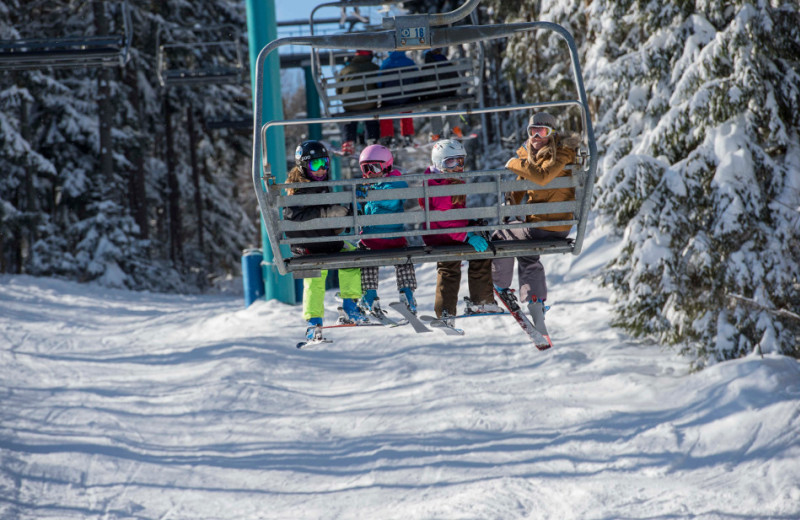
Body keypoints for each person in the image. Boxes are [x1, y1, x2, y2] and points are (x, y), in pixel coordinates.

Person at [491, 112, 578, 321]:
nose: (536, 137)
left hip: (547, 225)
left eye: (542, 131)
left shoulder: (561, 154)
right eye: (532, 131)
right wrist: (511, 202)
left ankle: (499, 284)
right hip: (551, 227)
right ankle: (536, 302)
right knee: (527, 252)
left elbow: (541, 177)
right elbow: (522, 183)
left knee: (501, 235)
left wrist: (513, 162)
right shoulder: (532, 158)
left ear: (551, 134)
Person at [283, 140, 368, 341]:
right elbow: (292, 215)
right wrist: (325, 212)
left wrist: (342, 217)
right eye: (315, 165)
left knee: (350, 255)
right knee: (322, 273)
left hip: (320, 244)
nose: (321, 170)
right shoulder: (299, 189)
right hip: (311, 246)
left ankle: (339, 310)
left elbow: (330, 215)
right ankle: (334, 312)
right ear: (303, 166)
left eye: (324, 164)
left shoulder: (322, 187)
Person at [419, 139, 501, 325]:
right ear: (439, 163)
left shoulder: (439, 180)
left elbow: (451, 217)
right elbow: (447, 220)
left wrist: (467, 224)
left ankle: (445, 313)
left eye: (460, 161)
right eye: (451, 162)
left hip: (440, 234)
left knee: (448, 268)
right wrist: (467, 236)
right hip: (446, 235)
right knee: (481, 254)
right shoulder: (442, 186)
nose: (457, 166)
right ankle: (481, 301)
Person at [355, 144, 418, 315]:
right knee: (366, 260)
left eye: (374, 167)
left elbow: (391, 198)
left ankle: (407, 293)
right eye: (365, 168)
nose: (369, 173)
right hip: (372, 240)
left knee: (404, 260)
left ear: (387, 166)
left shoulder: (395, 183)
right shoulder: (370, 186)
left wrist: (371, 194)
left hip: (392, 239)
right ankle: (369, 295)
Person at [336, 50, 380, 155]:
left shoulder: (345, 70)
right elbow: (380, 84)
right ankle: (372, 139)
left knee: (349, 117)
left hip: (350, 105)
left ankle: (348, 141)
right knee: (371, 115)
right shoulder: (375, 67)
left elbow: (338, 90)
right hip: (369, 104)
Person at [422, 48, 463, 141]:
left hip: (433, 95)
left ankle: (437, 133)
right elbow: (457, 81)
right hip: (448, 93)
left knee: (434, 108)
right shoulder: (447, 63)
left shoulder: (425, 67)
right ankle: (454, 129)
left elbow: (423, 85)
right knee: (452, 104)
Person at [378, 50, 417, 145]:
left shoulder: (386, 63)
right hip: (408, 97)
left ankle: (388, 136)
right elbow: (417, 77)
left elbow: (379, 82)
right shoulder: (409, 62)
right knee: (406, 108)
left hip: (390, 99)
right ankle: (407, 135)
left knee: (385, 110)